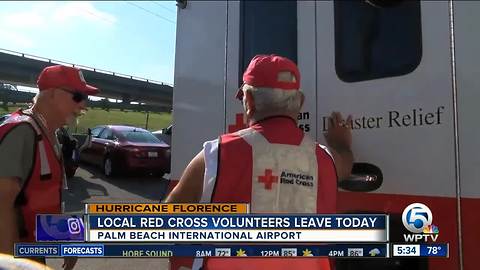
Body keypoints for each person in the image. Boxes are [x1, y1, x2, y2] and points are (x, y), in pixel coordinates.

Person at [166, 54, 353, 270]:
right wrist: (342, 144)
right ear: (300, 102)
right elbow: (345, 166)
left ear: (250, 102)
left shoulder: (215, 154)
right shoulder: (325, 158)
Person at [0, 65, 99, 269]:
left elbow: (39, 201)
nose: (83, 105)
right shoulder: (22, 133)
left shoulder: (49, 134)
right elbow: (2, 207)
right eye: (78, 96)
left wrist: (68, 239)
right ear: (53, 93)